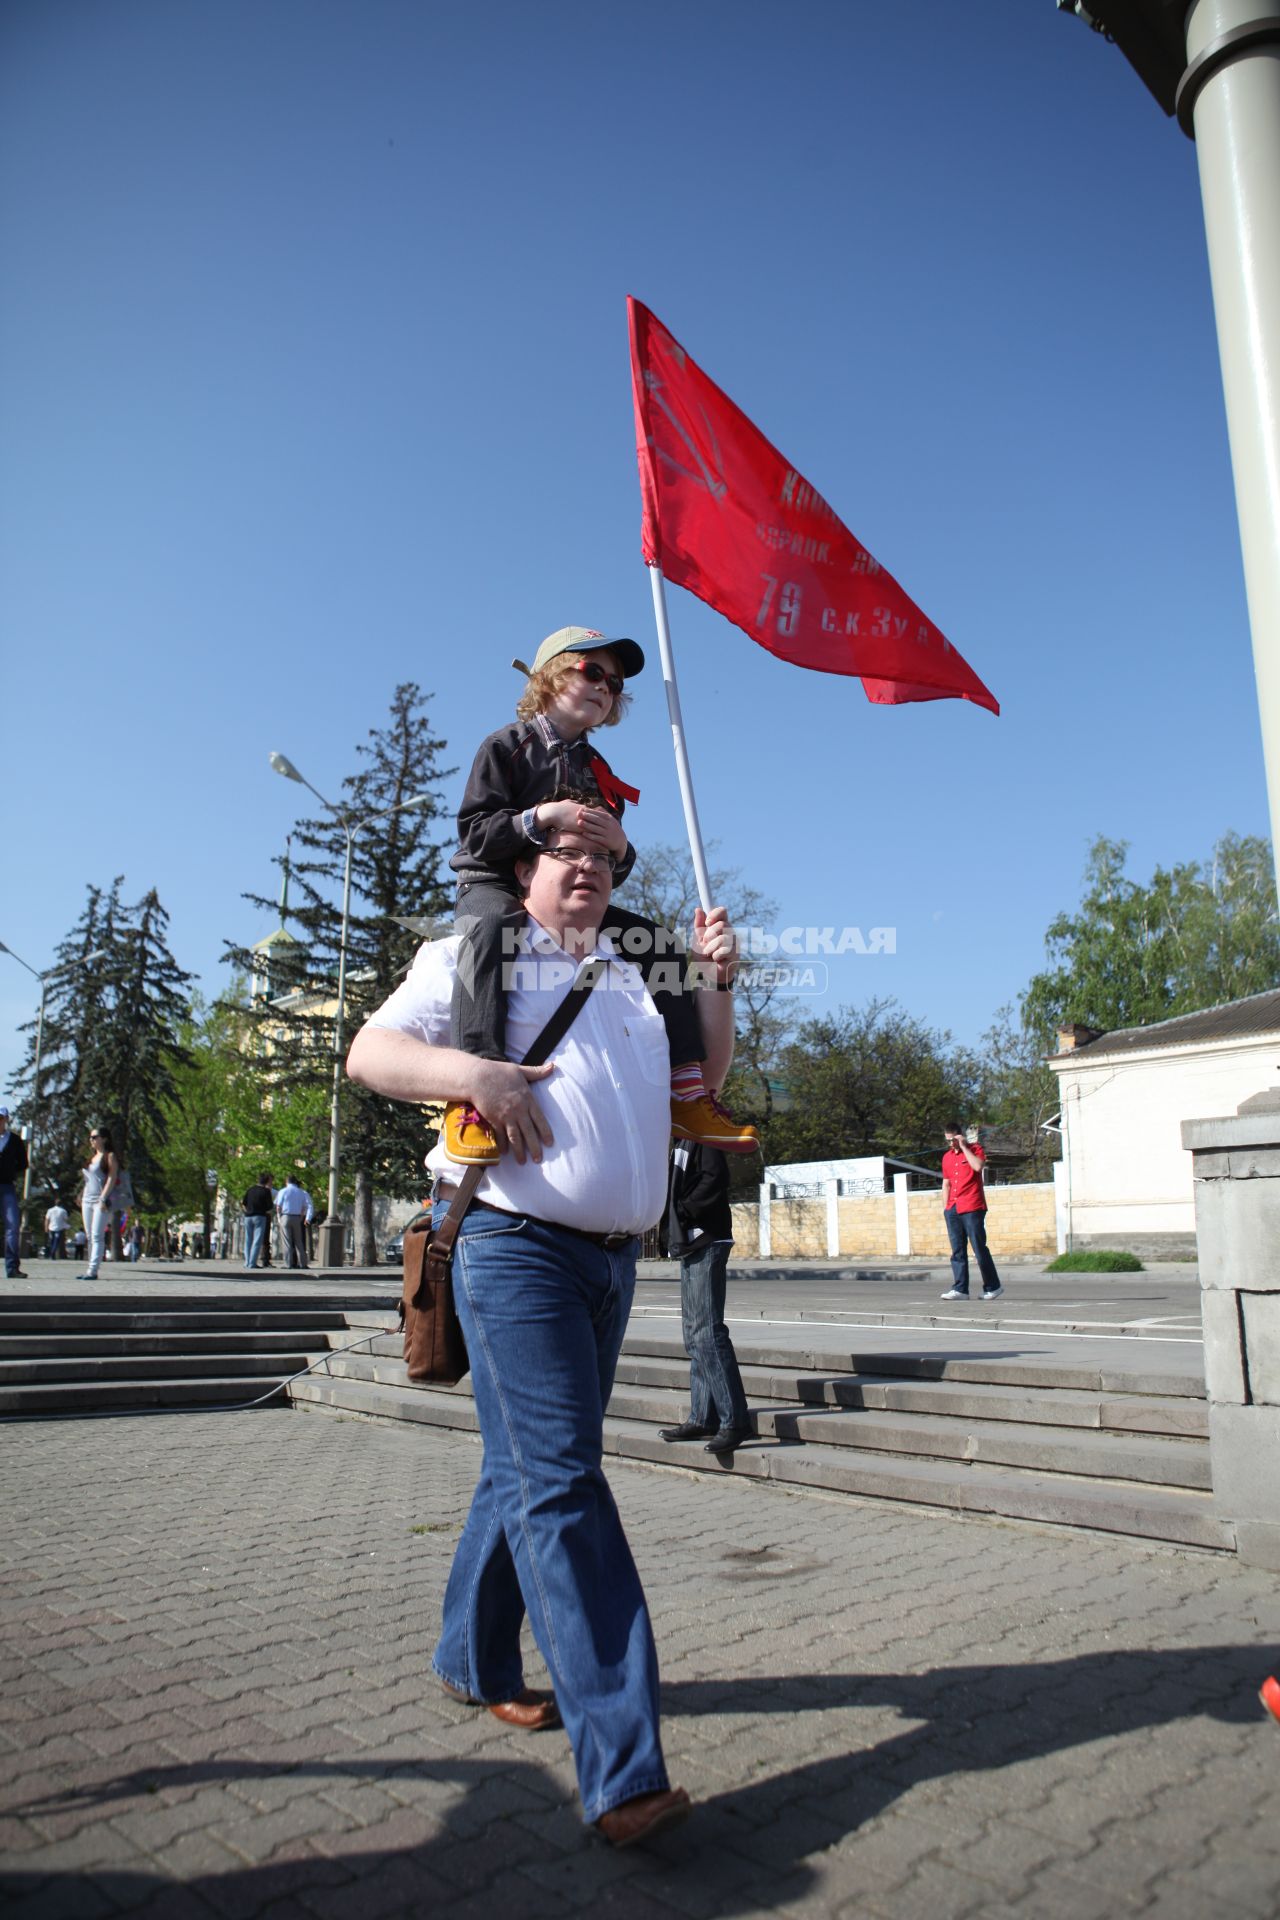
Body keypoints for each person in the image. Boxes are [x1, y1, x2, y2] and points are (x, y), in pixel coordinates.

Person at [348, 818, 742, 1846]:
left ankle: (470, 1661)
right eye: (568, 849)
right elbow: (369, 1052)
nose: (589, 865)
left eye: (606, 855)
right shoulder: (474, 953)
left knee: (520, 1469)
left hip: (613, 1258)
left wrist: (716, 985)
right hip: (513, 1245)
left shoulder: (636, 969)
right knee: (562, 1481)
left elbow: (701, 1079)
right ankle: (623, 1768)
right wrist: (469, 1076)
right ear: (523, 870)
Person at [444, 625, 757, 1165]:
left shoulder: (596, 769)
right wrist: (542, 817)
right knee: (487, 933)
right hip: (495, 882)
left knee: (654, 943)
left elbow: (600, 865)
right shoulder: (505, 747)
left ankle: (686, 1088)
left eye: (613, 683)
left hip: (563, 896)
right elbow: (474, 832)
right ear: (549, 677)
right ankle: (473, 1093)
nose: (604, 688)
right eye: (592, 672)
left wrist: (621, 846)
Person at [657, 1141, 751, 1455]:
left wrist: (683, 1211)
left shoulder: (702, 1133)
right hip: (691, 1243)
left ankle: (735, 1421)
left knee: (707, 1333)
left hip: (706, 1240)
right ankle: (702, 1417)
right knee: (694, 1336)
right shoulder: (681, 1140)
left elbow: (715, 1177)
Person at [939, 1123, 1004, 1302]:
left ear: (960, 1136)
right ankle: (960, 1289)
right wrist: (946, 1208)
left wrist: (964, 1147)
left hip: (972, 1206)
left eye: (953, 1140)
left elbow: (977, 1167)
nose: (951, 1144)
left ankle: (993, 1287)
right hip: (953, 1207)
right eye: (948, 1141)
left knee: (978, 1248)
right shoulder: (947, 1157)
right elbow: (946, 1183)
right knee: (957, 1250)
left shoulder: (976, 1149)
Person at [80, 1126, 119, 1281]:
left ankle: (93, 1270)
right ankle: (89, 1267)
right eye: (90, 1137)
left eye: (95, 1137)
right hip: (87, 1199)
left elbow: (112, 1178)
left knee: (97, 1236)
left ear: (104, 1139)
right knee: (89, 1236)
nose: (92, 1140)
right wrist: (81, 1194)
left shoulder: (109, 1156)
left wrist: (103, 1198)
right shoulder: (92, 1158)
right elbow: (88, 1180)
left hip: (100, 1201)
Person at [0, 1106, 29, 1279]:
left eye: (1, 1118)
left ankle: (12, 1267)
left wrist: (9, 1170)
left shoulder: (15, 1140)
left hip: (6, 1187)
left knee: (12, 1225)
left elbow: (23, 1164)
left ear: (6, 1119)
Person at [275, 1174, 314, 1269]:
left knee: (287, 1241)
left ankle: (288, 1263)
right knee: (299, 1241)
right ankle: (303, 1263)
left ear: (286, 1181)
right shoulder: (301, 1192)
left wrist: (279, 1217)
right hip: (297, 1217)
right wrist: (303, 1217)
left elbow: (278, 1206)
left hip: (286, 1216)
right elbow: (305, 1206)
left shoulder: (283, 1191)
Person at [241, 1173, 274, 1271]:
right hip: (260, 1216)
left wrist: (247, 1211)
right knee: (257, 1240)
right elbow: (270, 1207)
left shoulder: (250, 1190)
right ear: (267, 1181)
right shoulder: (266, 1191)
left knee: (248, 1240)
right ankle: (252, 1263)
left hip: (248, 1216)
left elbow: (243, 1203)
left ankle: (247, 1261)